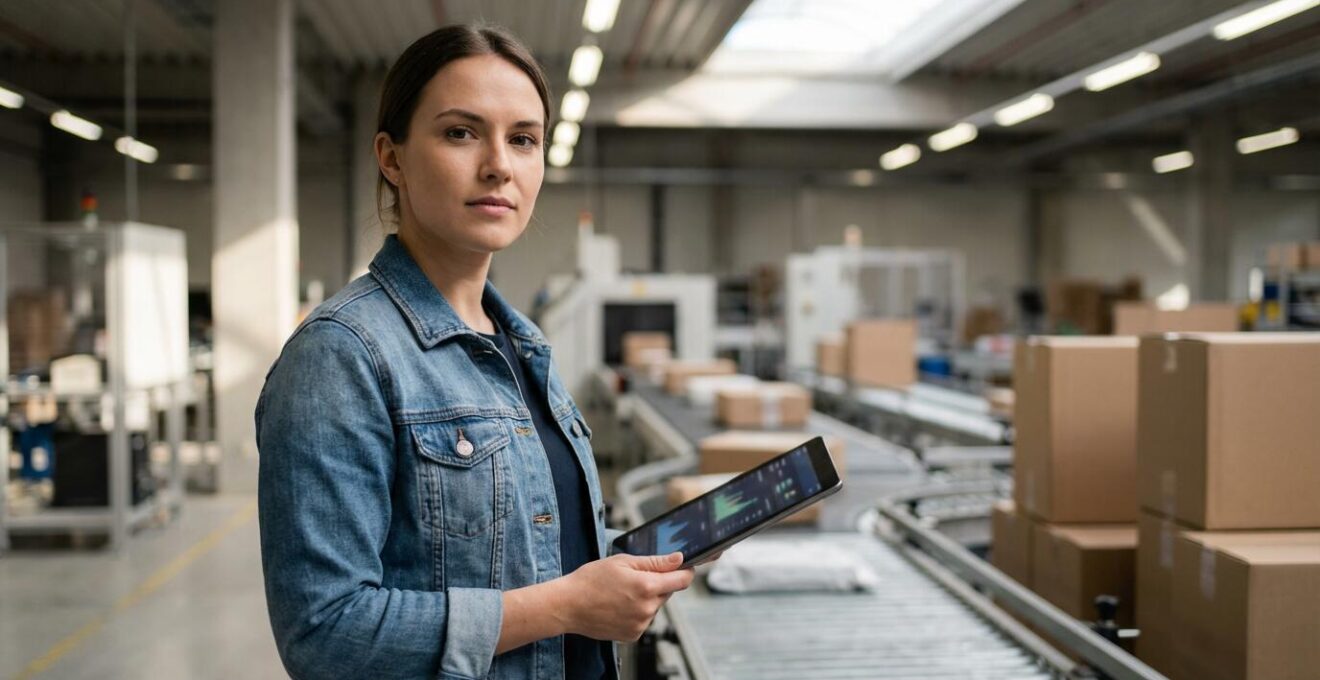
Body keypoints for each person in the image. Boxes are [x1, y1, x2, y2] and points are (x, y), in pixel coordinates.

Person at [256, 24, 694, 680]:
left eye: (523, 139)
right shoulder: (340, 358)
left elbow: (537, 552)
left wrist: (623, 578)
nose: (500, 165)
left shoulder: (520, 345)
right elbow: (324, 634)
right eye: (461, 132)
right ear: (392, 157)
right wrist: (566, 606)